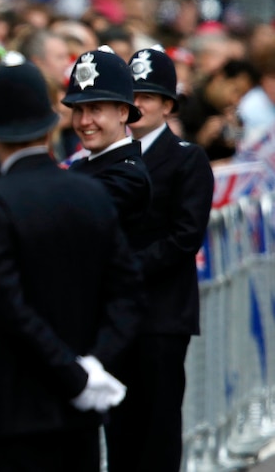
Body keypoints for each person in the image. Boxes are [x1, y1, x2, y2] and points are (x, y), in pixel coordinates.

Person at [0, 58, 142, 472]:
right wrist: (93, 366)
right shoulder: (90, 192)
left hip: (20, 408)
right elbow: (128, 290)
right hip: (82, 408)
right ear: (49, 127)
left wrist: (74, 375)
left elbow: (8, 305)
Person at [103, 47, 215, 472]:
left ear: (168, 104)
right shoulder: (107, 158)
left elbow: (185, 237)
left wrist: (122, 268)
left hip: (162, 314)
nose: (137, 104)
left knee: (159, 424)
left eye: (147, 96)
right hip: (115, 316)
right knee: (119, 427)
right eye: (130, 94)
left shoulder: (187, 158)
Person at [62, 48, 152, 234]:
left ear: (123, 112)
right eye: (78, 110)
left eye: (95, 109)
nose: (84, 121)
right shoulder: (80, 166)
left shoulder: (129, 177)